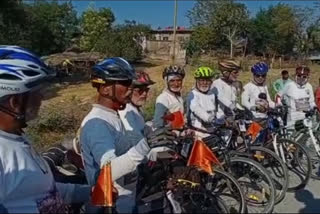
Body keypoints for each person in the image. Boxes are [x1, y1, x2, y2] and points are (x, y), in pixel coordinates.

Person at [0, 46, 90, 213]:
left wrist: (89, 192)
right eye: (37, 92)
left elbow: (43, 192)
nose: (42, 97)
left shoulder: (18, 139)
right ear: (15, 102)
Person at [79, 57, 173, 213]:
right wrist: (146, 145)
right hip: (111, 207)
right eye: (124, 83)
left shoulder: (112, 115)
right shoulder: (97, 123)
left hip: (127, 200)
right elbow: (109, 170)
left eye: (130, 83)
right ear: (105, 89)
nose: (130, 88)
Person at [119, 70, 155, 145]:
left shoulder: (135, 108)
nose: (144, 94)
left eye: (146, 90)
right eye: (140, 90)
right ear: (129, 91)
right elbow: (135, 140)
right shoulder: (126, 111)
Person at [186, 66, 218, 138]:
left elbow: (217, 110)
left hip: (211, 130)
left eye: (207, 80)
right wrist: (209, 118)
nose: (205, 83)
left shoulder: (212, 94)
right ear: (196, 81)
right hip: (197, 132)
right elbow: (196, 109)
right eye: (201, 80)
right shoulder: (193, 95)